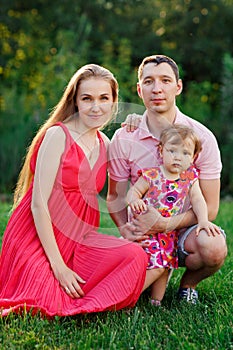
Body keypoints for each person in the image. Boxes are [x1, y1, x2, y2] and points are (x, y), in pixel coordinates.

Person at [0, 63, 155, 317]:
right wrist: (58, 267)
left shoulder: (105, 143)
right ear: (76, 101)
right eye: (87, 98)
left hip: (80, 241)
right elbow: (38, 205)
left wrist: (137, 120)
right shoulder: (57, 136)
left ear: (114, 102)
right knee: (45, 302)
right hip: (37, 238)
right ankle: (70, 288)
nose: (96, 107)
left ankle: (87, 293)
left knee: (134, 256)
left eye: (104, 98)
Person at [107, 54, 227, 304]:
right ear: (140, 90)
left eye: (165, 80)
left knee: (213, 247)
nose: (157, 88)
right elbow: (115, 196)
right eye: (149, 81)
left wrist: (165, 224)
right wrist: (126, 231)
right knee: (109, 273)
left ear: (178, 86)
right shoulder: (124, 137)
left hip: (185, 232)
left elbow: (212, 208)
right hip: (144, 233)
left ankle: (188, 285)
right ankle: (142, 280)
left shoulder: (201, 138)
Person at [126, 124, 221, 306]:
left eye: (185, 153)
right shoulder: (151, 175)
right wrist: (135, 201)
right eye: (172, 151)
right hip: (148, 230)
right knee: (156, 267)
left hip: (169, 233)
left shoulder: (189, 178)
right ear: (161, 151)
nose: (178, 157)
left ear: (193, 157)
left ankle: (156, 302)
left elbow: (199, 201)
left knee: (164, 267)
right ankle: (128, 297)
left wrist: (202, 221)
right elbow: (133, 192)